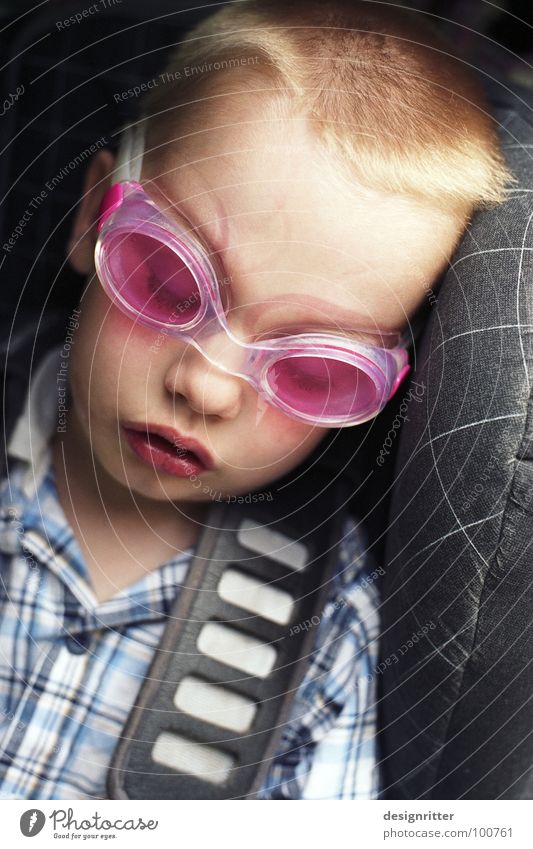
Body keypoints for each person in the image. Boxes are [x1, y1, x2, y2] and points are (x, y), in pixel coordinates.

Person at [0, 0, 511, 800]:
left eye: (312, 371)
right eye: (165, 278)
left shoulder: (326, 647)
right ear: (92, 216)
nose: (203, 385)